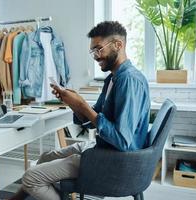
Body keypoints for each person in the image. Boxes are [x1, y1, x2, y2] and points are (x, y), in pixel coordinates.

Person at [9, 21, 150, 200]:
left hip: (114, 160)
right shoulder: (112, 79)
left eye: (98, 49)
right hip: (103, 149)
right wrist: (72, 103)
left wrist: (82, 104)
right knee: (45, 157)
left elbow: (122, 141)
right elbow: (92, 123)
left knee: (30, 178)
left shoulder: (129, 81)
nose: (96, 56)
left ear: (118, 45)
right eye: (93, 51)